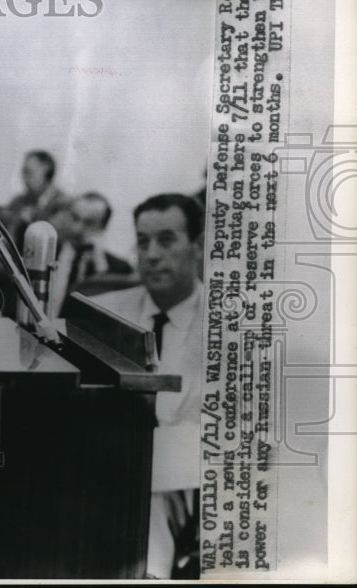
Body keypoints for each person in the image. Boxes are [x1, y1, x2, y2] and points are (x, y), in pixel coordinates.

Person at [90, 193, 204, 579]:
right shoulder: (104, 311)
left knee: (152, 477)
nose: (152, 254)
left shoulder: (230, 324)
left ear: (198, 246)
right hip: (112, 465)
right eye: (142, 241)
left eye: (167, 240)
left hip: (191, 478)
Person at [46, 191, 134, 316]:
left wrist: (100, 266)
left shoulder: (118, 269)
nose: (77, 228)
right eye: (75, 218)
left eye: (89, 223)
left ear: (103, 227)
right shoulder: (48, 252)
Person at [5, 150, 71, 231]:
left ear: (46, 170)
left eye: (29, 172)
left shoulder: (65, 204)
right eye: (24, 172)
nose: (24, 178)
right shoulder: (17, 202)